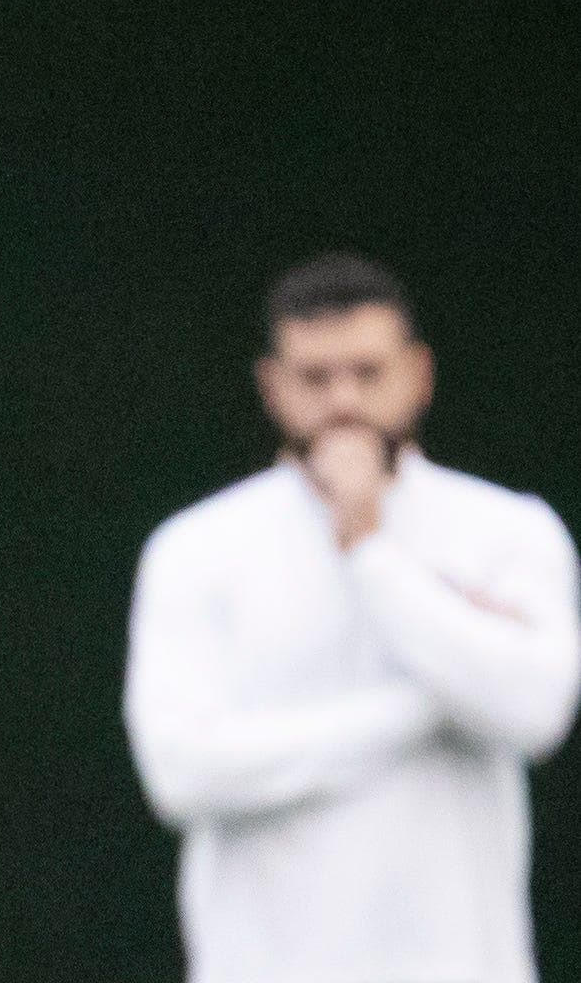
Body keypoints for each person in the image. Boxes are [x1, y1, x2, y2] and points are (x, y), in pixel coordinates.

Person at [124, 253, 580, 983]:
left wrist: (367, 549)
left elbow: (534, 713)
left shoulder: (509, 531)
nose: (343, 402)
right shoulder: (195, 549)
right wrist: (425, 703)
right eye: (314, 378)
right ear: (271, 386)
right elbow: (182, 772)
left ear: (417, 373)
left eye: (367, 374)